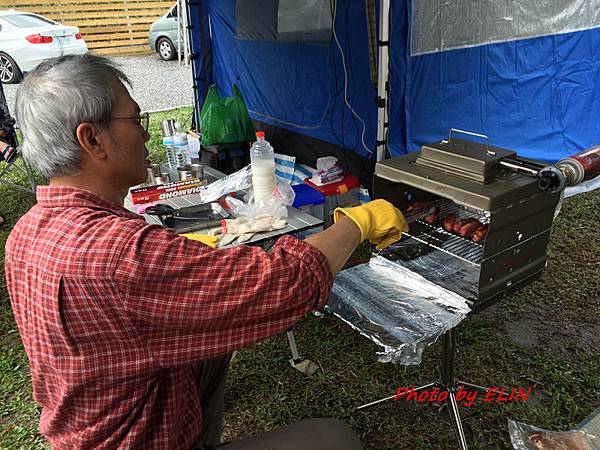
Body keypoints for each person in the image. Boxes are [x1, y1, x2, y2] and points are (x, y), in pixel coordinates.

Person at [6, 54, 408, 450]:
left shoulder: (27, 231)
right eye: (135, 120)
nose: (145, 135)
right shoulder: (118, 255)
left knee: (215, 349)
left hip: (93, 420)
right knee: (336, 439)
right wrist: (357, 222)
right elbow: (284, 282)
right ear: (91, 138)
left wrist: (185, 264)